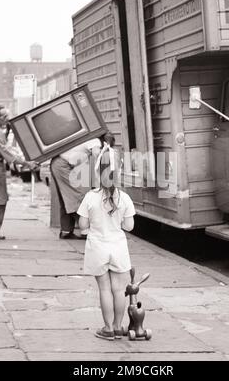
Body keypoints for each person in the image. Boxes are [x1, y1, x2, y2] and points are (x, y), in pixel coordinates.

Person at [77, 143, 136, 341]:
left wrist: (92, 227)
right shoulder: (125, 198)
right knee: (119, 290)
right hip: (118, 247)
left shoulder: (90, 197)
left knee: (104, 289)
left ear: (97, 172)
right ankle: (119, 327)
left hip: (97, 247)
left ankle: (108, 328)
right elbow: (129, 227)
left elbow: (82, 224)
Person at [0, 105, 38, 240]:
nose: (7, 118)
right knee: (0, 200)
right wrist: (27, 163)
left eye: (7, 115)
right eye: (4, 116)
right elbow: (8, 155)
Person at [50, 138, 102, 239]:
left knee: (68, 198)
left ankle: (66, 231)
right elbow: (97, 154)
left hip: (59, 163)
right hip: (62, 165)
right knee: (80, 196)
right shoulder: (95, 140)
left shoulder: (88, 137)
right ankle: (86, 232)